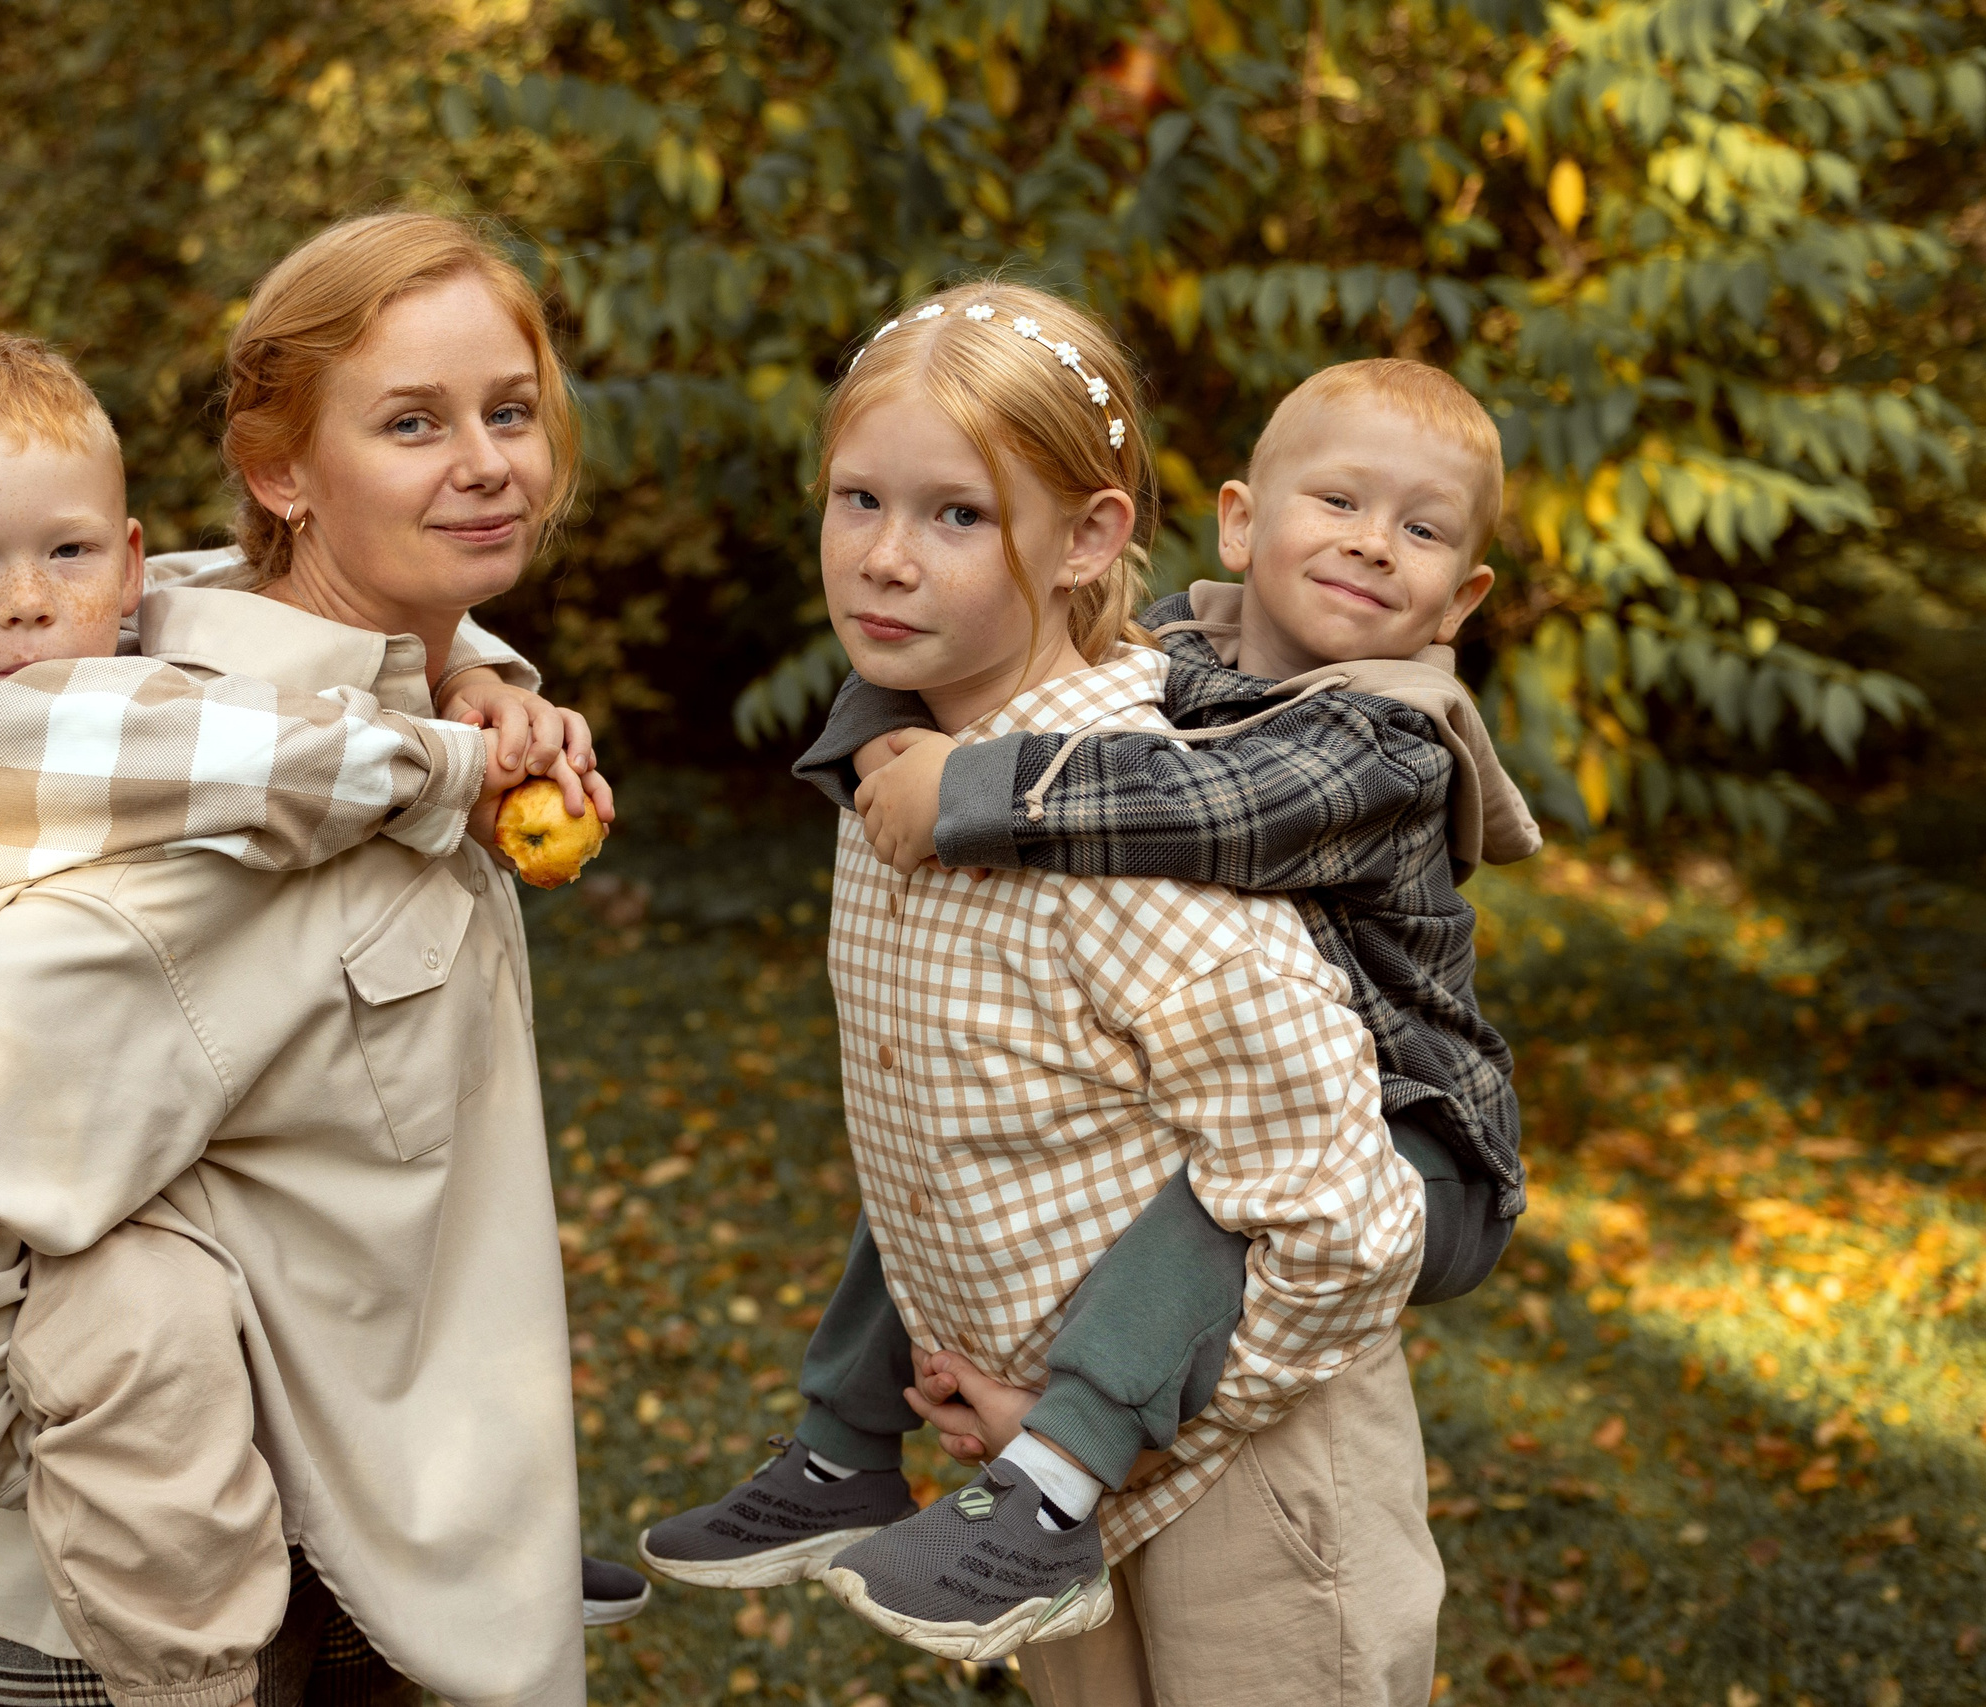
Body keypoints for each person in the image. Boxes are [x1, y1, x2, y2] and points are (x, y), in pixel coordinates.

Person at [0, 215, 600, 1706]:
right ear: (281, 470)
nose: (486, 460)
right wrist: (36, 1439)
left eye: (510, 407)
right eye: (412, 420)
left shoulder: (412, 724)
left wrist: (480, 680)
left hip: (381, 1557)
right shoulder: (233, 811)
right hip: (163, 1622)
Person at [645, 353, 1540, 1628]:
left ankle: (1060, 1471)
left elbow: (1206, 800)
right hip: (1286, 1098)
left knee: (1204, 1217)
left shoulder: (1388, 732)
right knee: (926, 1158)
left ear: (1465, 593)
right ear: (1238, 521)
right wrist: (886, 741)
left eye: (1422, 530)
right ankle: (840, 1451)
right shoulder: (1178, 655)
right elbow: (1005, 663)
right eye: (1337, 503)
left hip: (1418, 1138)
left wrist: (968, 790)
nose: (1373, 546)